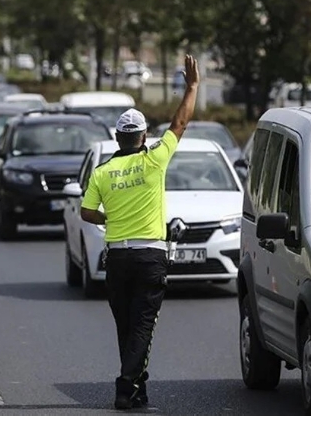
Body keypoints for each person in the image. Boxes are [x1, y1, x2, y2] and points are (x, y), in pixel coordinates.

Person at [80, 54, 200, 410]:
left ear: (118, 137)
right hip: (150, 256)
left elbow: (87, 212)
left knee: (126, 326)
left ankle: (137, 389)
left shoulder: (102, 172)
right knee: (143, 326)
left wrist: (108, 219)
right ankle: (125, 386)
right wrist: (192, 86)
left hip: (116, 256)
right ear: (144, 136)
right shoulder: (154, 160)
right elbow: (179, 123)